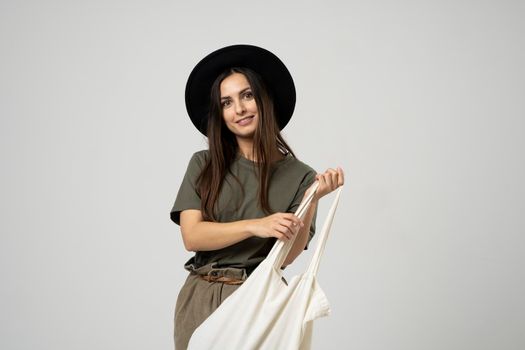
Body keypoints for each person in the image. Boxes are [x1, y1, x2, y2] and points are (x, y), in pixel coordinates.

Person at [169, 44, 344, 350]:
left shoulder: (301, 176)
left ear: (264, 100)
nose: (239, 109)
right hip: (201, 296)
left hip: (260, 300)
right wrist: (256, 225)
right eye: (227, 102)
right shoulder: (204, 164)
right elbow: (192, 236)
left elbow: (287, 257)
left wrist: (312, 199)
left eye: (247, 95)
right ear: (220, 114)